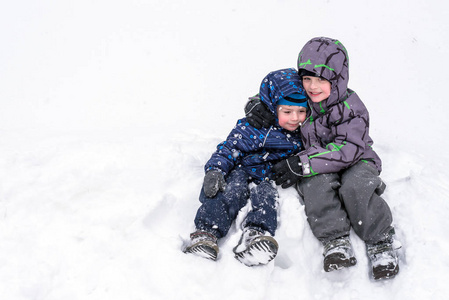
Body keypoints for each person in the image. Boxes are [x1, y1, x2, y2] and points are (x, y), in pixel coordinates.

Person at [245, 37, 401, 280]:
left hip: (357, 159)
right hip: (318, 162)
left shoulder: (351, 108)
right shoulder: (301, 96)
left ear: (338, 79)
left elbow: (348, 148)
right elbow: (274, 93)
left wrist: (303, 163)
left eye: (321, 79)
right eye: (307, 78)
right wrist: (258, 105)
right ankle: (336, 241)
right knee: (315, 185)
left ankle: (380, 242)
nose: (312, 86)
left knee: (356, 186)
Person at [183, 68, 308, 267]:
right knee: (229, 193)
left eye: (301, 111)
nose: (295, 118)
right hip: (242, 169)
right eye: (287, 111)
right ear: (272, 106)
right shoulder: (253, 126)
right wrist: (216, 169)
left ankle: (255, 236)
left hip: (269, 175)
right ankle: (206, 234)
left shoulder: (305, 133)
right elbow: (229, 147)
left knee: (266, 199)